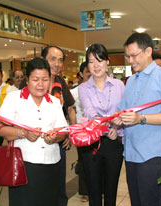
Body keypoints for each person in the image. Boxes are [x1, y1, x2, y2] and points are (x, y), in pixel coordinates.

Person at [112, 32, 161, 206]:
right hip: (131, 153)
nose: (130, 60)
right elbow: (124, 111)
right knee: (136, 201)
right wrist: (119, 119)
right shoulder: (131, 81)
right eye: (127, 56)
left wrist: (141, 118)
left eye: (134, 55)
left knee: (151, 201)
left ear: (148, 51)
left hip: (152, 156)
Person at [0, 57, 68, 206]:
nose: (41, 84)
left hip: (52, 164)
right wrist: (23, 133)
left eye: (45, 79)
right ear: (27, 80)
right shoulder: (13, 99)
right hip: (23, 166)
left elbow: (63, 130)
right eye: (36, 79)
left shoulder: (54, 102)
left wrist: (55, 137)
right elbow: (0, 129)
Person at [78, 44, 125, 206]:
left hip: (114, 144)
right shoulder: (83, 88)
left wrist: (117, 127)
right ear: (87, 65)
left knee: (111, 190)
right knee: (94, 191)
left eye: (100, 60)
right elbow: (90, 113)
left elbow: (123, 112)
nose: (96, 66)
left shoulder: (119, 85)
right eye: (91, 62)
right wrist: (107, 130)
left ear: (107, 62)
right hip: (92, 144)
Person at [42, 45, 76, 206]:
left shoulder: (61, 82)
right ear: (44, 60)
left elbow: (70, 108)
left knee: (59, 184)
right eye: (53, 59)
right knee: (41, 183)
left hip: (59, 141)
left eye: (60, 60)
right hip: (36, 141)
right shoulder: (34, 82)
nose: (57, 63)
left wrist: (70, 133)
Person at [70, 61, 91, 202]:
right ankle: (85, 191)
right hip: (81, 131)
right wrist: (74, 128)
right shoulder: (74, 91)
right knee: (84, 161)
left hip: (96, 130)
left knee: (97, 161)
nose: (90, 73)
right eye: (87, 71)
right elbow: (71, 109)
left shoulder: (98, 88)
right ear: (81, 74)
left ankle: (98, 188)